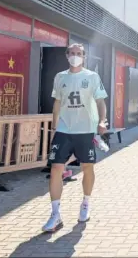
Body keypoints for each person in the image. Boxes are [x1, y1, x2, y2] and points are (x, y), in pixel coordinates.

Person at [42, 43, 108, 232]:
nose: (75, 56)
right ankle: (55, 214)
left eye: (78, 53)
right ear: (66, 55)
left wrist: (102, 121)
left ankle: (86, 203)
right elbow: (57, 103)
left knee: (87, 167)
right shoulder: (60, 77)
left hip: (85, 130)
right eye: (72, 53)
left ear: (84, 57)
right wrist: (55, 127)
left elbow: (100, 101)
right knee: (56, 168)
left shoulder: (92, 77)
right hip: (64, 129)